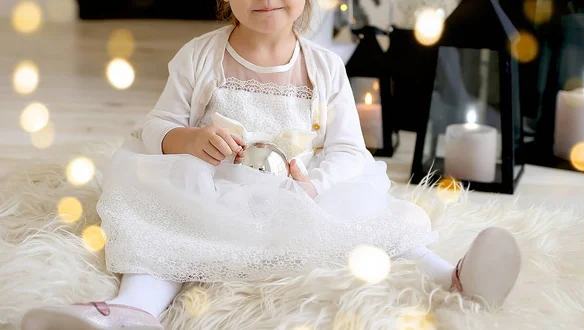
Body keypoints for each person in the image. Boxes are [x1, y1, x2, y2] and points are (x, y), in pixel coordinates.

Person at [21, 0, 521, 329]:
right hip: (214, 192)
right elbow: (156, 128)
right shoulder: (200, 58)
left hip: (294, 195)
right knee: (149, 202)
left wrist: (314, 184)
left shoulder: (323, 67)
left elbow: (349, 150)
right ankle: (133, 309)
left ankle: (451, 277)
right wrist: (190, 138)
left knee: (375, 217)